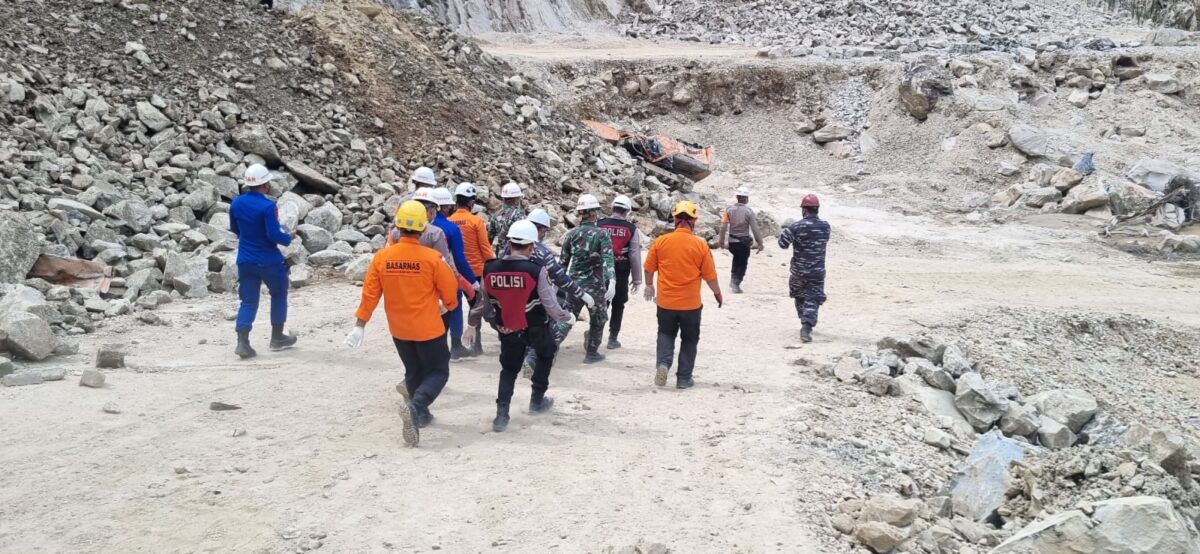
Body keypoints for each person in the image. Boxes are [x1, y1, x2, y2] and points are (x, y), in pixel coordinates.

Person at [345, 201, 459, 447]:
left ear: (397, 226)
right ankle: (416, 407)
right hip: (428, 327)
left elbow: (370, 293)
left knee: (414, 370)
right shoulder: (433, 258)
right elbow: (450, 289)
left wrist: (360, 325)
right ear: (423, 228)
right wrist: (449, 305)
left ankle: (421, 415)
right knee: (439, 371)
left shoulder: (382, 257)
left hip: (399, 329)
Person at [466, 220, 574, 432]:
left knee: (508, 369)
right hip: (536, 326)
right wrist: (567, 317)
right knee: (546, 354)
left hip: (508, 328)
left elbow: (481, 303)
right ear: (532, 247)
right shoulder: (536, 271)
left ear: (509, 243)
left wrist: (471, 323)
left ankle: (501, 416)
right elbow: (551, 305)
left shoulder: (490, 268)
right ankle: (536, 401)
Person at [643, 201, 723, 389]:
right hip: (690, 305)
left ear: (675, 219)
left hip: (666, 302)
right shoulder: (700, 245)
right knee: (689, 339)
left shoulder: (661, 241)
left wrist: (649, 285)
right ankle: (684, 378)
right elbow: (710, 276)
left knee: (665, 333)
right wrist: (717, 293)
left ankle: (663, 364)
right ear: (694, 221)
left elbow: (648, 268)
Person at [509, 209, 595, 376]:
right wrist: (582, 294)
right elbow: (560, 277)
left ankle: (522, 355)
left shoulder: (508, 248)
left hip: (510, 299)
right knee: (557, 321)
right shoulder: (542, 252)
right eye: (544, 231)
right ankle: (532, 358)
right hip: (535, 300)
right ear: (540, 230)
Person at [229, 164, 298, 359]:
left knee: (248, 301)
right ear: (265, 185)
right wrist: (289, 237)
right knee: (279, 294)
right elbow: (274, 234)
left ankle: (242, 343)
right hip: (268, 260)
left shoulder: (236, 203)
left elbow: (235, 229)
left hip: (245, 259)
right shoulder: (268, 207)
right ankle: (277, 338)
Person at [559, 194, 616, 364]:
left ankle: (550, 349)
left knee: (568, 318)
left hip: (573, 285)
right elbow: (607, 259)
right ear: (593, 213)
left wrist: (557, 284)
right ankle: (591, 353)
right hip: (595, 286)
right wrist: (612, 281)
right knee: (599, 319)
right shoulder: (602, 234)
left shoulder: (571, 234)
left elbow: (562, 263)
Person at [448, 182, 495, 356]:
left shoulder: (449, 221)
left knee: (455, 308)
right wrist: (495, 264)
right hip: (475, 272)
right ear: (471, 202)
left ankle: (456, 345)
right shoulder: (476, 221)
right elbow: (485, 248)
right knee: (476, 307)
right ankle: (476, 345)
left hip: (454, 273)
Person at [778, 194, 831, 343]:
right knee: (812, 299)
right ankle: (807, 325)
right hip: (817, 272)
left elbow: (782, 244)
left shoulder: (796, 227)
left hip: (798, 272)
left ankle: (805, 323)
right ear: (817, 209)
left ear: (804, 210)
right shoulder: (826, 226)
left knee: (800, 297)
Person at [431, 187, 477, 359]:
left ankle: (434, 348)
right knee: (454, 307)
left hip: (424, 276)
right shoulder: (450, 228)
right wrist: (472, 281)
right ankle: (456, 347)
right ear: (444, 207)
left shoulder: (421, 227)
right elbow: (459, 258)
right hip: (447, 274)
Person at [598, 195, 642, 350]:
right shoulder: (631, 229)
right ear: (627, 211)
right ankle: (612, 338)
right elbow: (634, 254)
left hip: (601, 269)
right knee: (618, 304)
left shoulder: (600, 224)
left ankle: (595, 334)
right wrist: (637, 279)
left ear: (612, 208)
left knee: (601, 303)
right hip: (621, 271)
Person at [718, 186, 764, 294]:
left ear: (737, 197)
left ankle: (732, 279)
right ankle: (736, 283)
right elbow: (755, 228)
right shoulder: (749, 212)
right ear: (746, 198)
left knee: (736, 259)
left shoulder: (728, 210)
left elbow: (723, 227)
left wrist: (721, 241)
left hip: (732, 243)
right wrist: (760, 243)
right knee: (742, 263)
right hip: (743, 243)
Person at [489, 182, 526, 253]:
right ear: (515, 200)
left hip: (500, 254)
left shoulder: (496, 215)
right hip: (515, 254)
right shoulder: (519, 215)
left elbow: (489, 239)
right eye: (519, 198)